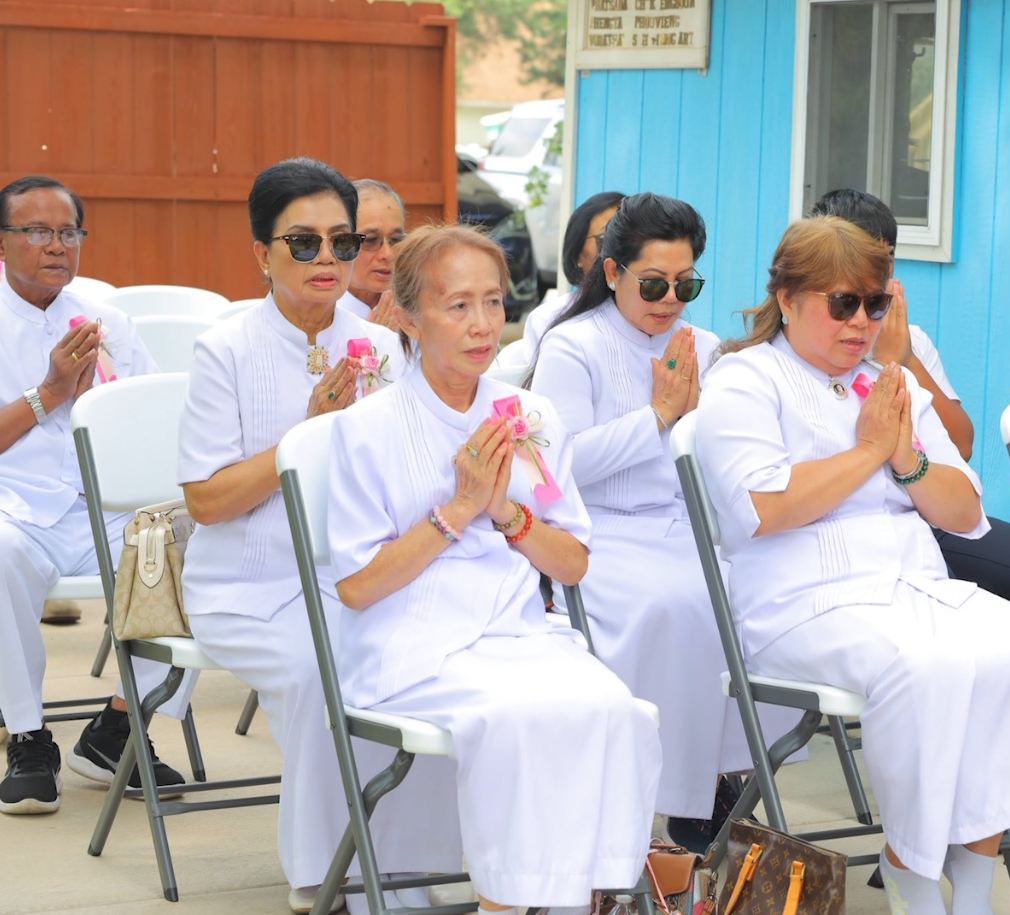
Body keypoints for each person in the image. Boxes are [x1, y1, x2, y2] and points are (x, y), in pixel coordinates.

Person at [696, 216, 1010, 915]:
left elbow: (964, 512)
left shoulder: (892, 384)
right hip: (798, 606)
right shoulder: (743, 379)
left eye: (875, 304)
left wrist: (908, 458)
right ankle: (910, 872)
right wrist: (870, 452)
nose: (862, 321)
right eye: (843, 302)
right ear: (786, 297)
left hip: (912, 590)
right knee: (927, 669)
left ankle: (970, 893)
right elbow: (763, 508)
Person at [329, 223, 661, 913]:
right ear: (410, 317)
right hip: (407, 640)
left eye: (493, 302)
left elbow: (570, 565)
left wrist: (506, 512)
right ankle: (505, 902)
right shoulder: (367, 427)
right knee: (515, 716)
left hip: (514, 632)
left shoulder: (526, 415)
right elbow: (358, 588)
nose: (483, 325)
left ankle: (580, 898)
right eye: (458, 306)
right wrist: (457, 509)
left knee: (616, 709)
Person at [178, 158, 459, 914]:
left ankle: (412, 858)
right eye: (303, 243)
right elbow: (205, 500)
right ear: (261, 253)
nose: (328, 259)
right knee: (316, 671)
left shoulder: (384, 341)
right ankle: (322, 870)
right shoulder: (225, 349)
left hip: (358, 575)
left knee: (423, 661)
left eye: (343, 241)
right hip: (247, 582)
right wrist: (306, 435)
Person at [809, 188, 1010, 841]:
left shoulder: (905, 336)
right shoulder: (806, 345)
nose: (878, 286)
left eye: (885, 267)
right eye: (863, 267)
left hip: (931, 511)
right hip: (858, 539)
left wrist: (905, 359)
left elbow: (962, 442)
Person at [530, 192, 798, 848]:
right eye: (653, 282)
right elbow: (558, 467)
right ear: (613, 271)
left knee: (771, 593)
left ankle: (720, 771)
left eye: (687, 283)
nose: (670, 298)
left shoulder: (704, 346)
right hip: (603, 531)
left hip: (689, 524)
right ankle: (682, 791)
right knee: (676, 602)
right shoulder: (573, 345)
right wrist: (656, 416)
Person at [0, 175, 196, 816]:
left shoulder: (107, 319)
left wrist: (106, 413)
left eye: (67, 232)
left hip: (101, 507)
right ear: (4, 243)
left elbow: (154, 424)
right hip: (14, 506)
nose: (55, 245)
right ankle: (29, 740)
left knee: (209, 545)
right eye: (35, 231)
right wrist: (51, 392)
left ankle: (118, 727)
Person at [492, 190, 624, 370]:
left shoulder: (658, 316)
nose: (621, 250)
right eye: (606, 238)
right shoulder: (549, 319)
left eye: (628, 239)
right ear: (577, 253)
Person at [336, 179, 406, 330]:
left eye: (396, 240)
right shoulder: (319, 315)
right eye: (371, 240)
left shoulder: (416, 312)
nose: (387, 254)